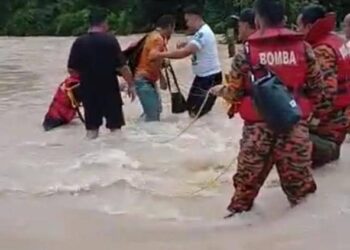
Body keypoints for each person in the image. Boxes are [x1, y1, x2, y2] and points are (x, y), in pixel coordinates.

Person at [210, 0, 325, 216]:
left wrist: (220, 91)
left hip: (257, 132)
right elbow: (318, 89)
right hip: (293, 128)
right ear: (284, 19)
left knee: (242, 200)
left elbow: (234, 93)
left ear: (257, 19)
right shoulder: (304, 48)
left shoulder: (246, 52)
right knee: (303, 199)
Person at [67, 9, 135, 139]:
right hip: (110, 91)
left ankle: (90, 157)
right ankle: (119, 157)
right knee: (115, 129)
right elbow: (122, 67)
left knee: (92, 131)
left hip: (89, 92)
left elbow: (71, 70)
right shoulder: (110, 40)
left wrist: (87, 74)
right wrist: (131, 85)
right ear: (104, 23)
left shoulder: (79, 42)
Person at [297, 5, 350, 168]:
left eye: (299, 26)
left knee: (282, 135)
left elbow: (327, 94)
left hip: (331, 126)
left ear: (308, 26)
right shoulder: (337, 40)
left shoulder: (322, 50)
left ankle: (325, 150)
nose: (298, 31)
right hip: (342, 119)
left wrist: (312, 120)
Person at [157, 5, 222, 118]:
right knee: (191, 108)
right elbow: (196, 44)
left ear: (195, 17)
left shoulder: (203, 33)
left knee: (197, 113)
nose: (186, 24)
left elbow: (185, 53)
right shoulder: (201, 32)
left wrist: (160, 54)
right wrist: (187, 42)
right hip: (202, 77)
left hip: (209, 78)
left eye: (187, 20)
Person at [134, 15, 175, 122]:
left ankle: (138, 132)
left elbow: (152, 58)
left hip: (145, 79)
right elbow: (153, 56)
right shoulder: (158, 39)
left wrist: (163, 63)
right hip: (144, 80)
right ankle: (143, 136)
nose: (173, 32)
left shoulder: (152, 35)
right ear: (170, 26)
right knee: (153, 117)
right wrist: (162, 78)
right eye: (173, 28)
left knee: (155, 111)